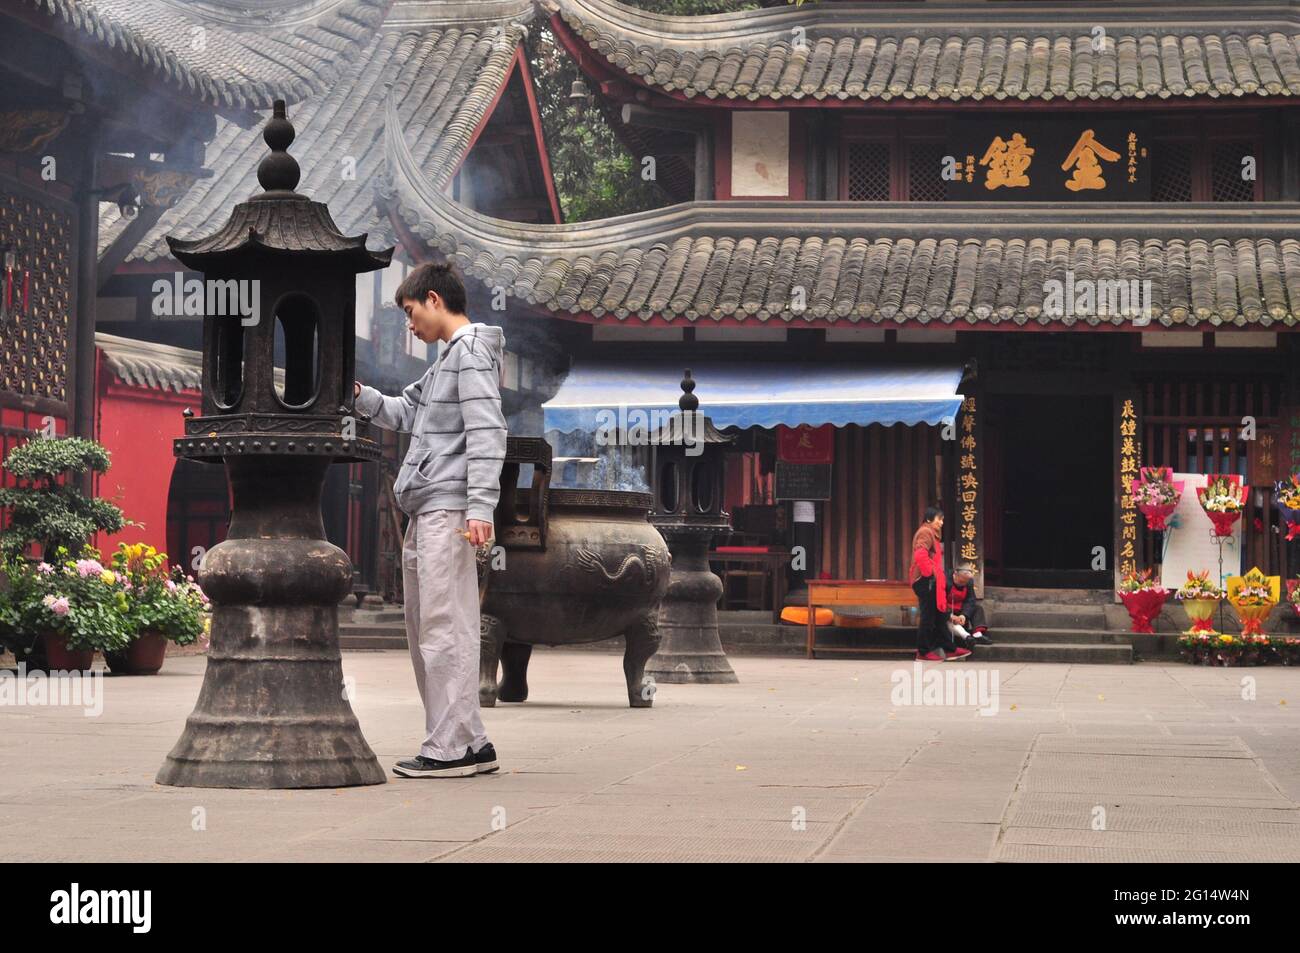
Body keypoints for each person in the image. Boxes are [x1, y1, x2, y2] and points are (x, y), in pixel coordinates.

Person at [354, 263, 507, 778]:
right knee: (435, 625)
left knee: (443, 626)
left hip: (450, 509)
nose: (409, 324)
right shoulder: (447, 362)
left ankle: (449, 749)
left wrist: (482, 506)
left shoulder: (469, 355)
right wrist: (357, 397)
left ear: (434, 299)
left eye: (410, 311)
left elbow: (489, 431)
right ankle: (471, 741)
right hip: (432, 507)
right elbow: (403, 413)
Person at [909, 506, 969, 662]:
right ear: (929, 520)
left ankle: (949, 649)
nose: (942, 523)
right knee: (929, 617)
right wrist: (930, 574)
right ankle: (922, 652)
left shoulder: (931, 534)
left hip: (931, 580)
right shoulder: (925, 532)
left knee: (939, 616)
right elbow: (920, 554)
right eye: (939, 519)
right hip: (925, 580)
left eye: (942, 519)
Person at [947, 563, 992, 647]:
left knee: (977, 608)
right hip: (947, 609)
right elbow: (940, 600)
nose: (964, 584)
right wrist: (950, 615)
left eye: (966, 582)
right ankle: (966, 636)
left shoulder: (969, 582)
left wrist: (964, 615)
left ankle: (977, 634)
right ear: (955, 574)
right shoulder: (945, 580)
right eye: (961, 581)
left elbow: (970, 600)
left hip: (960, 609)